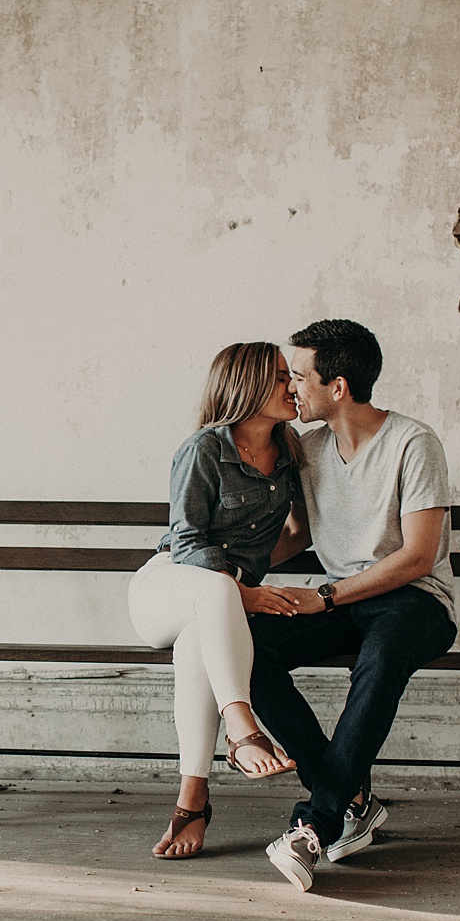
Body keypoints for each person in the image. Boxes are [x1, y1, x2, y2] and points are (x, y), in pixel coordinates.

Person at [248, 319, 457, 891]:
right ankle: (350, 798)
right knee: (247, 646)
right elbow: (294, 537)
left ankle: (314, 824)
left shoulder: (414, 443)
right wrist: (222, 570)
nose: (290, 388)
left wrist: (325, 596)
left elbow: (418, 557)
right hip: (342, 603)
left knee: (383, 649)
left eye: (299, 376)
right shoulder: (307, 449)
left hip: (415, 603)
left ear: (337, 386)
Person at [127, 341, 310, 861]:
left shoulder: (291, 453)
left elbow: (299, 531)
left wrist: (249, 582)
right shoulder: (205, 448)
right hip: (167, 589)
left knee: (198, 652)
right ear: (247, 385)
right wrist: (242, 591)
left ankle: (193, 803)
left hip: (218, 605)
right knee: (216, 590)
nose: (292, 386)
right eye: (280, 377)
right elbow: (186, 543)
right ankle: (242, 727)